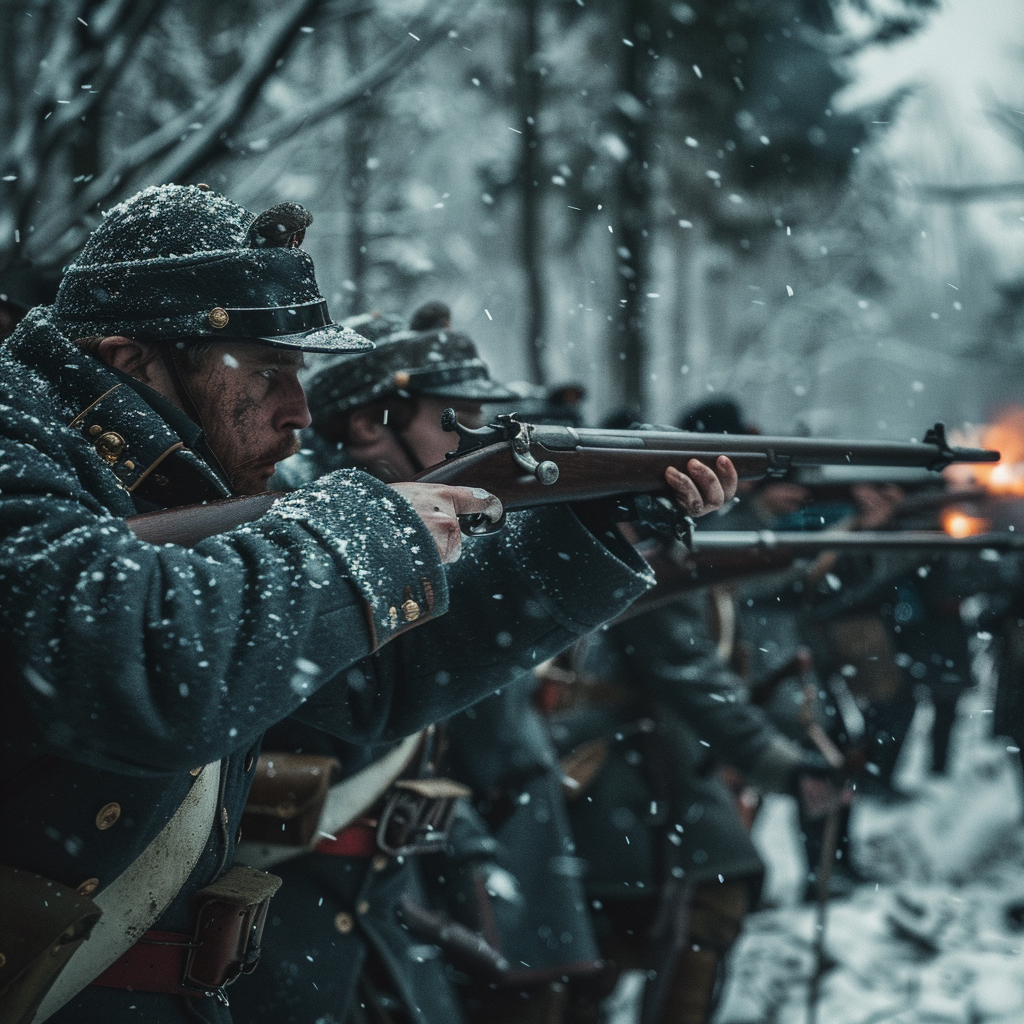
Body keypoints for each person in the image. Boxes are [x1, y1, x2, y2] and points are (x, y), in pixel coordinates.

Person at [0, 184, 736, 1024]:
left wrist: (583, 534)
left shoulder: (149, 480)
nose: (300, 412)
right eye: (270, 369)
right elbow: (129, 661)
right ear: (134, 360)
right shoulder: (16, 435)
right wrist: (365, 531)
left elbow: (358, 685)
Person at [230, 317, 606, 1024]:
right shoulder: (288, 540)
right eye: (457, 420)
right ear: (372, 426)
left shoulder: (424, 549)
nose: (481, 440)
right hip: (285, 915)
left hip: (388, 901)